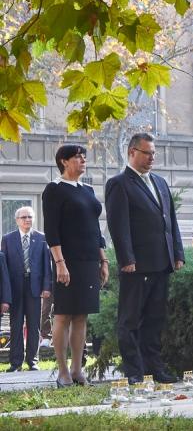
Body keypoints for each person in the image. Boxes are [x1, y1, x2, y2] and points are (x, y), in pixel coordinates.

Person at [105, 133, 185, 385]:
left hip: (162, 263)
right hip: (136, 265)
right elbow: (119, 226)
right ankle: (134, 372)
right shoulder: (120, 183)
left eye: (154, 153)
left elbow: (170, 221)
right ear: (132, 152)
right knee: (129, 321)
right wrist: (126, 258)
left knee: (155, 319)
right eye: (147, 153)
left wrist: (178, 254)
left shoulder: (160, 182)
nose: (152, 158)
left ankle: (155, 369)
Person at [41, 145, 108, 387]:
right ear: (64, 161)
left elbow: (95, 229)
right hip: (66, 261)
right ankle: (62, 372)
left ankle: (77, 370)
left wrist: (104, 260)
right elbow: (52, 230)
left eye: (84, 156)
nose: (83, 160)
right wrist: (60, 262)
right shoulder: (54, 190)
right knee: (63, 314)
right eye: (77, 157)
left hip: (90, 259)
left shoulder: (88, 190)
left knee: (82, 315)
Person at [2, 206, 52, 372]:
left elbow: (47, 265)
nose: (27, 220)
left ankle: (33, 361)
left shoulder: (41, 238)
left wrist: (46, 287)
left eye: (30, 217)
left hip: (34, 287)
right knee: (16, 325)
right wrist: (5, 294)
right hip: (15, 288)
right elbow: (3, 269)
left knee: (34, 325)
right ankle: (15, 363)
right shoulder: (7, 239)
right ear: (17, 220)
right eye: (24, 217)